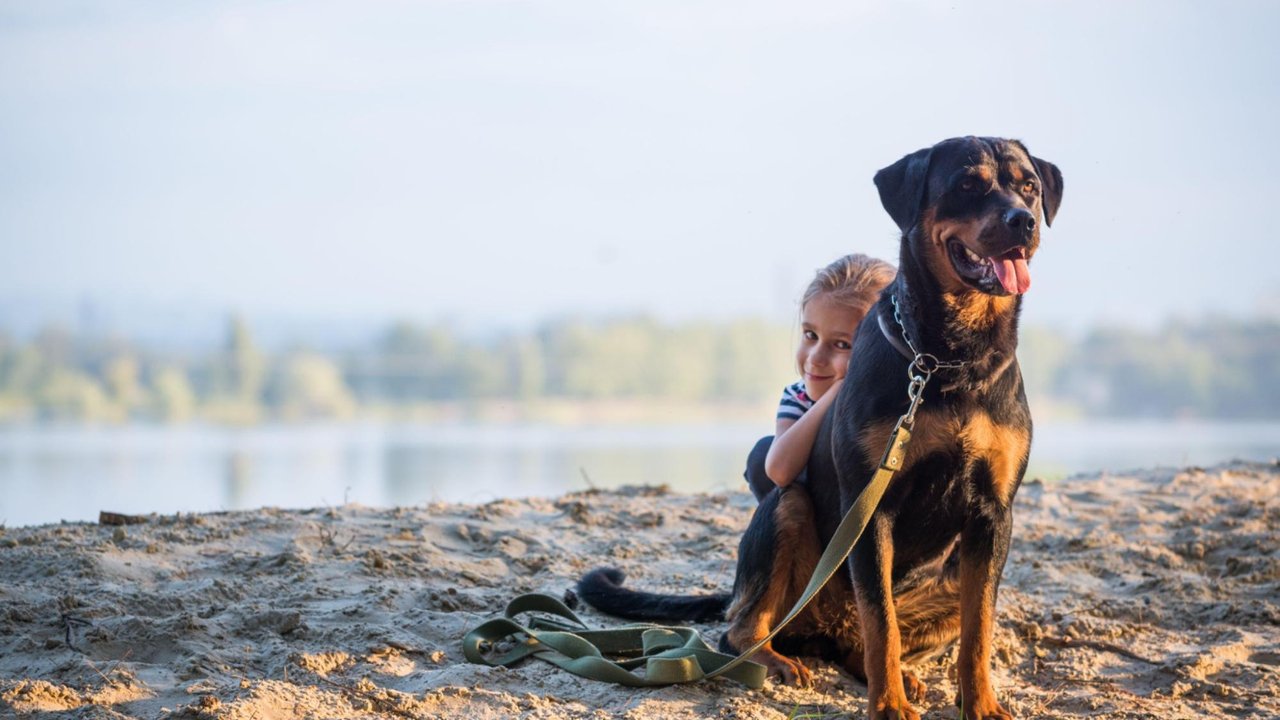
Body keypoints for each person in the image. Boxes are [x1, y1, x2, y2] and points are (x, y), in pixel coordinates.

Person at [745, 253, 896, 501]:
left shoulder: (897, 403)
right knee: (762, 455)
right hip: (822, 514)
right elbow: (779, 471)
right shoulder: (799, 397)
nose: (815, 358)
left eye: (841, 344)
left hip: (880, 511)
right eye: (810, 335)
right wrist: (836, 394)